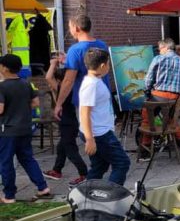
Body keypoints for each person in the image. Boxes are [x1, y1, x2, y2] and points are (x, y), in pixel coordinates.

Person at [0, 54, 51, 203]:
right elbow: (35, 103)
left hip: (7, 130)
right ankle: (42, 187)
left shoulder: (2, 87)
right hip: (25, 128)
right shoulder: (25, 83)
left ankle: (9, 195)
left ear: (5, 68)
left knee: (6, 162)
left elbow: (0, 109)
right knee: (27, 158)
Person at [79, 48, 130, 185]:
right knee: (122, 163)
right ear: (102, 66)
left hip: (100, 131)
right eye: (108, 64)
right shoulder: (90, 85)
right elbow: (84, 113)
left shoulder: (95, 81)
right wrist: (90, 139)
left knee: (99, 166)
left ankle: (88, 195)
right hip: (99, 134)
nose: (109, 67)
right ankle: (111, 195)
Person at [139, 38, 180, 161]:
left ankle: (146, 152)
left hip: (159, 95)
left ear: (165, 47)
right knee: (171, 122)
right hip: (176, 97)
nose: (159, 51)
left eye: (159, 49)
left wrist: (148, 92)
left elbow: (148, 79)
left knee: (147, 119)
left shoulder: (159, 59)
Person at [54, 13, 109, 122]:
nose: (70, 30)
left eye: (70, 27)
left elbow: (68, 80)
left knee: (89, 135)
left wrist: (59, 104)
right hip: (103, 97)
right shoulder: (102, 45)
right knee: (103, 131)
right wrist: (68, 60)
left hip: (86, 100)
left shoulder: (75, 50)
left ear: (76, 28)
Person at [43, 54, 88, 186]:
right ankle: (57, 170)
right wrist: (65, 60)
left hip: (67, 123)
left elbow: (48, 77)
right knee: (61, 147)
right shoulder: (74, 88)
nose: (54, 83)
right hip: (71, 122)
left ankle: (84, 174)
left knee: (71, 150)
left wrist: (53, 64)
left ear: (60, 81)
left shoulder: (63, 90)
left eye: (57, 80)